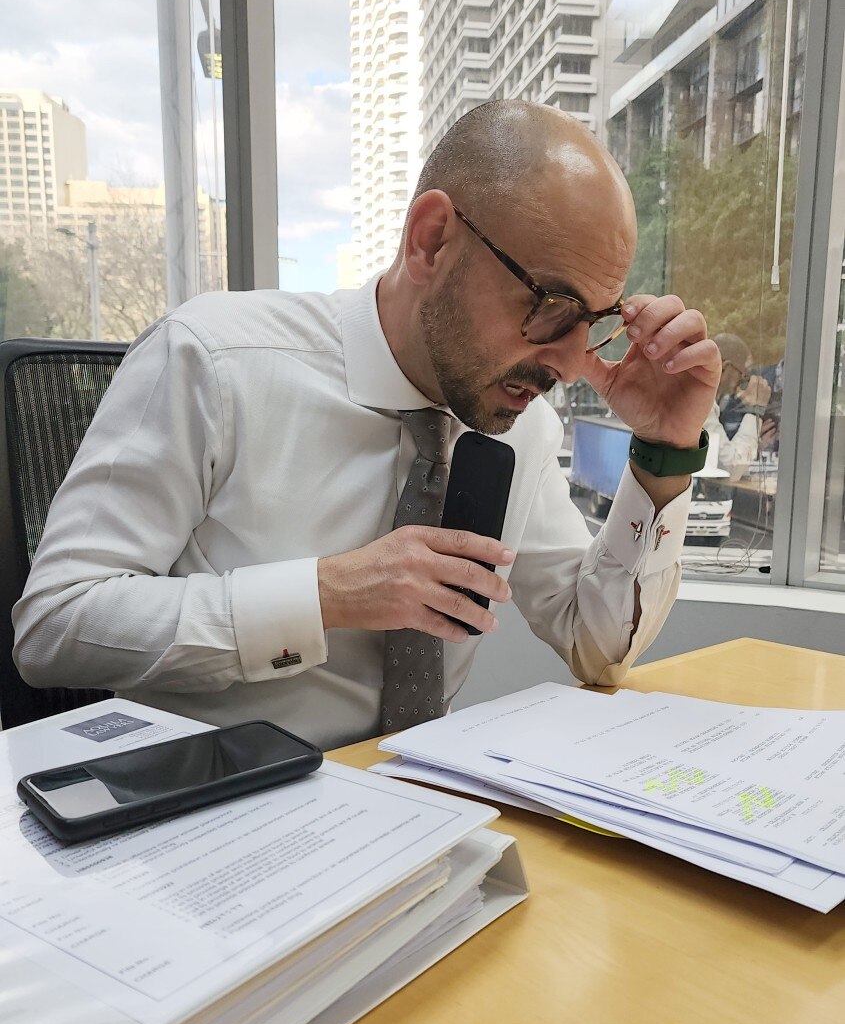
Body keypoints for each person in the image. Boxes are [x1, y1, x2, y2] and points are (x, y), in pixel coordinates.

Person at [13, 102, 720, 750]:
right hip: (206, 806)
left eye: (594, 321)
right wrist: (324, 595)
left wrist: (664, 449)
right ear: (431, 240)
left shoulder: (519, 425)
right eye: (552, 306)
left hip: (419, 804)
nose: (568, 365)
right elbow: (53, 626)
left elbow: (595, 645)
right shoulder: (211, 362)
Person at [705, 332, 771, 482]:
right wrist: (755, 410)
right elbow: (730, 468)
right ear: (725, 368)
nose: (741, 386)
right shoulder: (701, 404)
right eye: (743, 376)